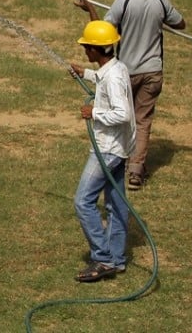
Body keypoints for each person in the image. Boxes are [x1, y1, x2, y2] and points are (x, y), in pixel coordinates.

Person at [74, 0, 186, 190]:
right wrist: (157, 19)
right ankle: (135, 171)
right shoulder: (160, 1)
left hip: (127, 72)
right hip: (153, 72)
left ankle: (118, 161)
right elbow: (180, 23)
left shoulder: (122, 2)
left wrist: (90, 9)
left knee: (122, 116)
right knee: (142, 120)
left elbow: (102, 32)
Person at [68, 20, 136, 282]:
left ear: (96, 50)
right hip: (119, 148)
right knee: (116, 204)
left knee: (83, 201)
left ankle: (103, 257)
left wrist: (93, 112)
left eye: (87, 47)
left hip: (107, 150)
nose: (85, 51)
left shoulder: (115, 78)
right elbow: (103, 79)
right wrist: (84, 73)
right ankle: (117, 260)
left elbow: (123, 113)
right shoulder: (115, 67)